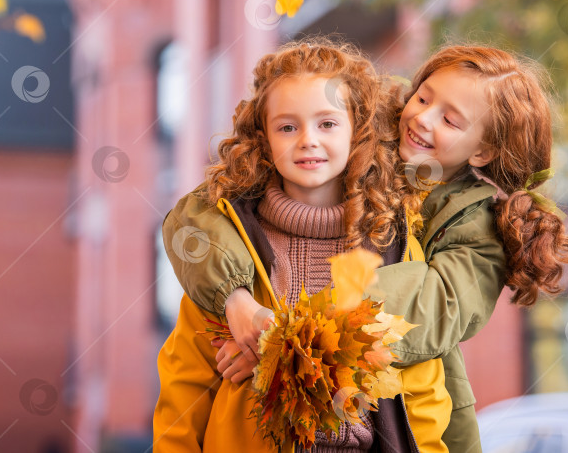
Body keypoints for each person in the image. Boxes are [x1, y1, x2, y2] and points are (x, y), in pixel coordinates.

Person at [163, 44, 568, 453]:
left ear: (483, 150)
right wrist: (237, 302)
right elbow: (195, 217)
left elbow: (427, 307)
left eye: (450, 119)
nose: (421, 118)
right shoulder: (361, 163)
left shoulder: (468, 228)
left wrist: (281, 344)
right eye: (422, 96)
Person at [154, 39, 453, 452]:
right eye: (288, 127)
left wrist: (278, 354)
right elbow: (185, 382)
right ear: (264, 138)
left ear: (358, 131)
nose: (308, 140)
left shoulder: (392, 242)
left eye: (327, 124)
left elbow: (423, 387)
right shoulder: (230, 244)